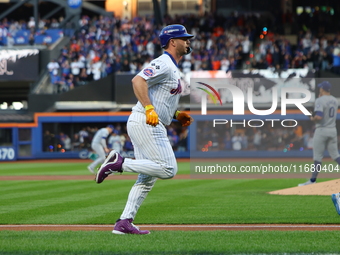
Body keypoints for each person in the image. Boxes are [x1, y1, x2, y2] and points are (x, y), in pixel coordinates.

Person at [95, 24, 194, 234]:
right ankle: (119, 163)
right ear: (172, 42)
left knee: (146, 179)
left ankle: (124, 222)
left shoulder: (173, 67)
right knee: (168, 169)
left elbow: (161, 99)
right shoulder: (164, 63)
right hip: (146, 121)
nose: (188, 42)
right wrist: (149, 108)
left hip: (147, 121)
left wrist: (176, 115)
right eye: (184, 38)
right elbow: (138, 80)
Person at [298, 81, 340, 186]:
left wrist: (312, 118)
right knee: (335, 155)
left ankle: (312, 180)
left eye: (320, 88)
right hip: (332, 129)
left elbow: (319, 116)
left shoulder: (319, 100)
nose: (319, 89)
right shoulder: (335, 100)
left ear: (323, 89)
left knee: (318, 157)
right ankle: (312, 180)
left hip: (321, 130)